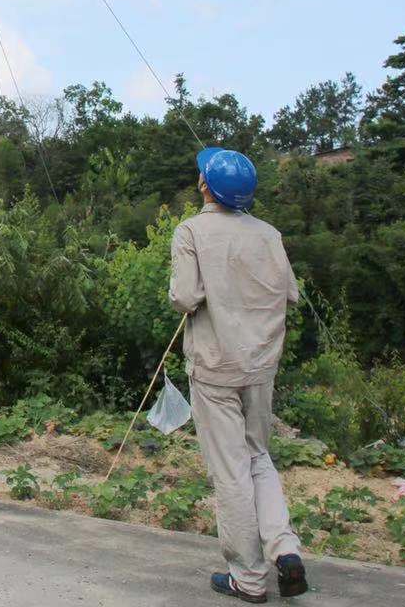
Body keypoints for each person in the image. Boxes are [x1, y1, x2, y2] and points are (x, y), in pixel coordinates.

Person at [169, 148, 308, 603]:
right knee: (258, 457)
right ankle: (284, 548)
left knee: (231, 471)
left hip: (215, 367)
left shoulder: (190, 230)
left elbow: (185, 297)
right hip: (261, 367)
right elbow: (292, 294)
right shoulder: (269, 234)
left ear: (207, 187)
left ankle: (247, 578)